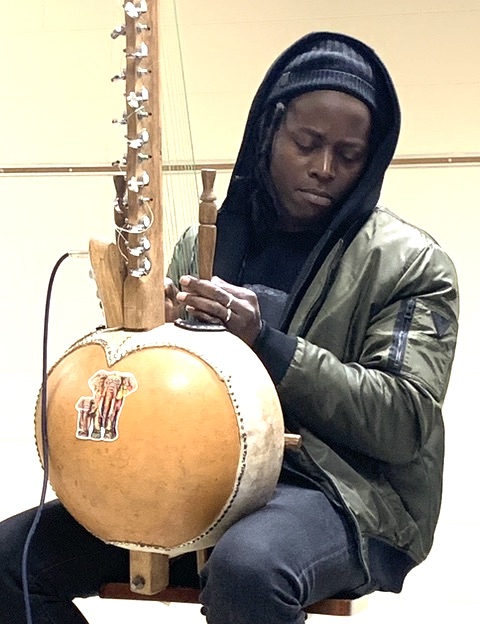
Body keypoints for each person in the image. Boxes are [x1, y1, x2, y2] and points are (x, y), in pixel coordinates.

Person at [0, 31, 459, 624]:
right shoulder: (205, 241)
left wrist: (266, 343)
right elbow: (160, 388)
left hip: (346, 495)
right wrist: (145, 335)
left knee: (248, 570)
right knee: (12, 560)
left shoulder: (414, 264)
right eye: (307, 143)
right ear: (270, 132)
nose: (324, 168)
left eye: (348, 156)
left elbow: (403, 421)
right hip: (201, 476)